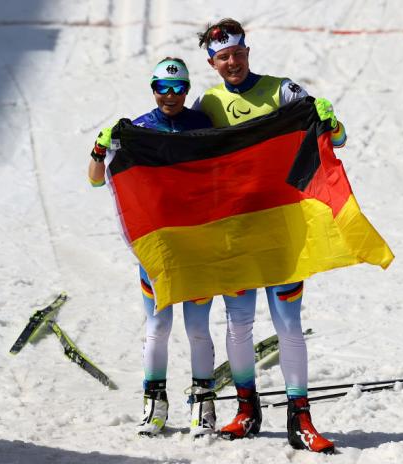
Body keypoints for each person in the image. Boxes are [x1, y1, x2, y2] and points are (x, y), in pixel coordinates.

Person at [193, 18, 346, 454]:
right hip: (236, 230)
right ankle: (247, 410)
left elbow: (337, 137)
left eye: (238, 54)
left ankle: (301, 419)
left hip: (281, 227)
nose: (232, 62)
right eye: (223, 57)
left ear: (247, 52)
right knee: (239, 323)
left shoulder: (282, 91)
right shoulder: (208, 103)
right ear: (212, 61)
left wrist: (331, 124)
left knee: (288, 325)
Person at [88, 57, 218, 438]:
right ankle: (154, 404)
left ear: (188, 90)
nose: (171, 96)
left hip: (198, 242)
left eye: (178, 89)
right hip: (159, 247)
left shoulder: (203, 127)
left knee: (197, 328)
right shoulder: (139, 129)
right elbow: (96, 181)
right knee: (158, 326)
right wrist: (99, 149)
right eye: (163, 87)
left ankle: (202, 406)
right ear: (153, 88)